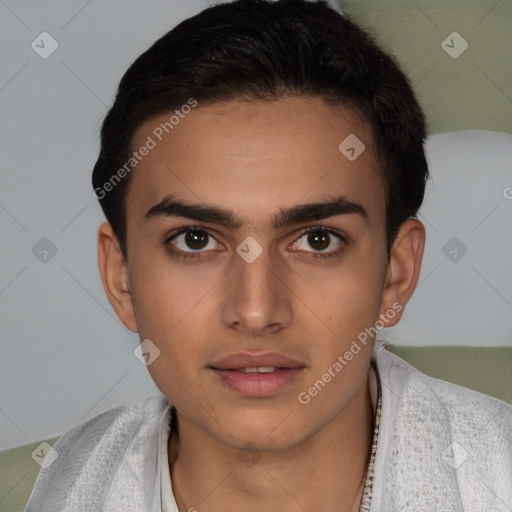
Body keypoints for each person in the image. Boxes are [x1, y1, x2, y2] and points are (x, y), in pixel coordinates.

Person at [24, 0, 512, 511]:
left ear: (396, 273)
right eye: (195, 240)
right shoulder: (67, 482)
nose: (256, 312)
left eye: (318, 240)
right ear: (121, 277)